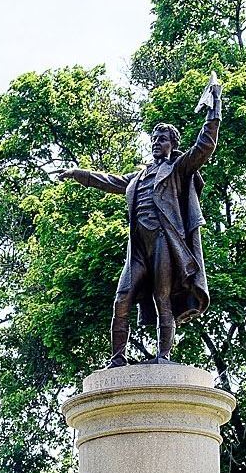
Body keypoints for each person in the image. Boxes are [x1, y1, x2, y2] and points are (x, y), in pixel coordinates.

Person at [59, 75, 220, 366]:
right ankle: (117, 359)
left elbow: (204, 146)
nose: (157, 143)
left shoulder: (178, 169)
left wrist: (214, 109)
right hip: (139, 247)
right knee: (122, 299)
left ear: (173, 144)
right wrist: (79, 174)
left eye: (162, 139)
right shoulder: (138, 176)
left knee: (163, 299)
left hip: (163, 239)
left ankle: (163, 356)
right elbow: (108, 181)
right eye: (154, 139)